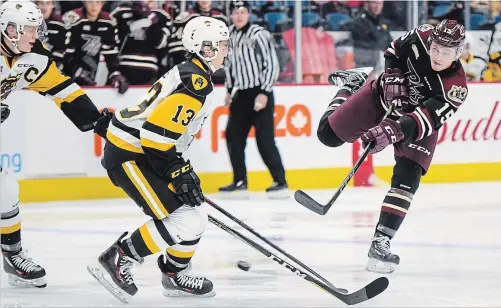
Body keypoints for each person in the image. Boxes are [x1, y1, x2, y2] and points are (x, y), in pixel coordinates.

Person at [86, 16, 230, 302]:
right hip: (132, 155)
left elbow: (155, 125)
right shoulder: (196, 82)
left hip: (146, 152)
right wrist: (177, 170)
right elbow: (155, 135)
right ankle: (119, 257)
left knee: (195, 212)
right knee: (185, 219)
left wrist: (179, 169)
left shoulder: (191, 72)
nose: (227, 50)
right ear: (206, 48)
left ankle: (175, 275)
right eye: (222, 45)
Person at [317, 19, 467, 274]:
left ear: (458, 52)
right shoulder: (421, 35)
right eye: (435, 49)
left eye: (445, 52)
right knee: (328, 136)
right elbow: (394, 50)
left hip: (417, 122)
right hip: (380, 96)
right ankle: (350, 85)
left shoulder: (455, 88)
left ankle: (380, 241)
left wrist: (391, 130)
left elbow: (423, 121)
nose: (437, 56)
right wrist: (394, 75)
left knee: (408, 177)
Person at [0, 0, 111, 288]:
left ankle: (13, 256)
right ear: (10, 29)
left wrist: (99, 124)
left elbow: (63, 89)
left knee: (5, 188)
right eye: (30, 30)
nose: (35, 36)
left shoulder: (33, 57)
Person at [219, 0, 287, 195]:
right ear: (231, 14)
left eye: (243, 11)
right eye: (235, 12)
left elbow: (272, 64)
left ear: (249, 13)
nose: (239, 15)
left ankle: (279, 180)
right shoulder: (229, 36)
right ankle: (240, 180)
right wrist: (229, 91)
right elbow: (229, 65)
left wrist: (265, 92)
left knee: (264, 139)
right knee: (233, 136)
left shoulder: (259, 34)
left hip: (259, 92)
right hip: (241, 94)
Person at [62, 0, 128, 93]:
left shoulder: (108, 21)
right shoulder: (73, 18)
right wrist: (76, 72)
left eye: (97, 2)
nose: (94, 5)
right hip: (68, 71)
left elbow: (110, 53)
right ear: (84, 2)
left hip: (92, 69)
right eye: (90, 2)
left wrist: (115, 74)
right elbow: (65, 53)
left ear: (102, 3)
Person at [111, 0, 172, 85]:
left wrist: (149, 19)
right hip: (123, 71)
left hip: (150, 73)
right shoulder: (119, 14)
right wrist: (115, 73)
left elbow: (160, 44)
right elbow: (113, 43)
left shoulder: (162, 16)